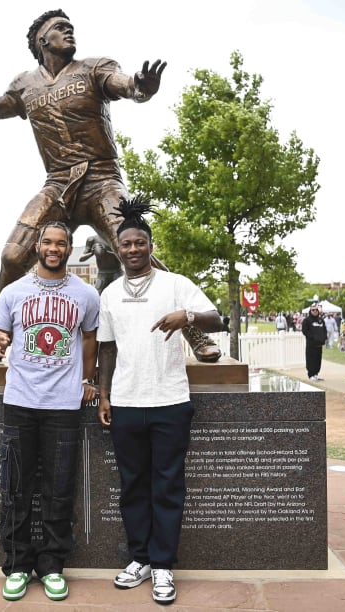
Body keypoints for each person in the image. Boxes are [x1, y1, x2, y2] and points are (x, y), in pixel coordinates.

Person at [0, 9, 220, 363]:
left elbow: (126, 84)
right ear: (43, 41)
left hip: (102, 180)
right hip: (58, 184)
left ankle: (196, 332)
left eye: (70, 27)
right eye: (60, 28)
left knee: (135, 252)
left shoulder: (94, 67)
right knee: (12, 256)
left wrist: (140, 88)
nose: (69, 32)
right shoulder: (25, 84)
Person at [96, 196, 222, 604]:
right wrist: (103, 393)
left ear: (150, 246)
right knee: (132, 486)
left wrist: (186, 316)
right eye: (126, 245)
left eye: (139, 243)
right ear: (118, 249)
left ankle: (163, 565)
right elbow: (107, 349)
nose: (133, 249)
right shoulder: (110, 294)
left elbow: (217, 318)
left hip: (170, 401)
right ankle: (141, 560)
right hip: (128, 402)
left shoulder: (175, 285)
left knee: (167, 485)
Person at [0, 220, 100, 601]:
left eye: (60, 243)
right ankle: (16, 565)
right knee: (16, 487)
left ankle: (51, 566)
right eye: (47, 242)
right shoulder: (13, 292)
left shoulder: (85, 294)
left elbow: (91, 337)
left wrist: (87, 379)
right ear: (36, 246)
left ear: (69, 248)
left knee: (59, 489)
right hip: (20, 402)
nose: (53, 248)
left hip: (63, 405)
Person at [301, 303, 327, 381]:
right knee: (311, 359)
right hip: (311, 344)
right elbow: (305, 331)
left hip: (319, 344)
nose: (315, 311)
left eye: (316, 310)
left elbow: (324, 330)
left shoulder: (321, 320)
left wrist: (324, 337)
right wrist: (313, 338)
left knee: (318, 360)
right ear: (310, 311)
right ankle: (311, 374)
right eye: (313, 310)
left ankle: (316, 374)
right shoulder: (307, 320)